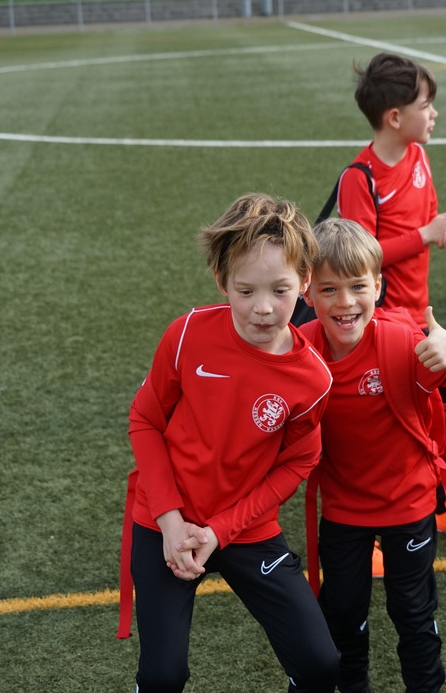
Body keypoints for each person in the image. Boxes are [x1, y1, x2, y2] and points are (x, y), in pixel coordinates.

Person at [117, 193, 341, 692]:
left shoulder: (313, 379)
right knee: (163, 677)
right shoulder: (186, 334)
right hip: (165, 522)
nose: (263, 308)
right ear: (222, 282)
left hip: (244, 528)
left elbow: (298, 462)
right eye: (245, 291)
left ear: (305, 283)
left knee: (321, 664)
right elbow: (145, 420)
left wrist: (220, 530)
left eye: (280, 290)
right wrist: (170, 521)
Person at [299, 218, 446, 692]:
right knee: (342, 616)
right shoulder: (300, 351)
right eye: (328, 289)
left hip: (408, 506)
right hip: (343, 512)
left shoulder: (404, 340)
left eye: (357, 287)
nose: (345, 302)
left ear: (378, 286)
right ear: (308, 293)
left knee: (413, 613)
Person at [333, 51, 446, 550]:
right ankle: (369, 535)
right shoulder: (359, 177)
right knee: (382, 428)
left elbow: (420, 227)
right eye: (426, 106)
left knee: (441, 410)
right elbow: (359, 261)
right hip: (377, 323)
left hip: (417, 315)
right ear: (394, 117)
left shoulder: (419, 157)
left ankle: (441, 506)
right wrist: (426, 233)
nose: (434, 114)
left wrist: (441, 230)